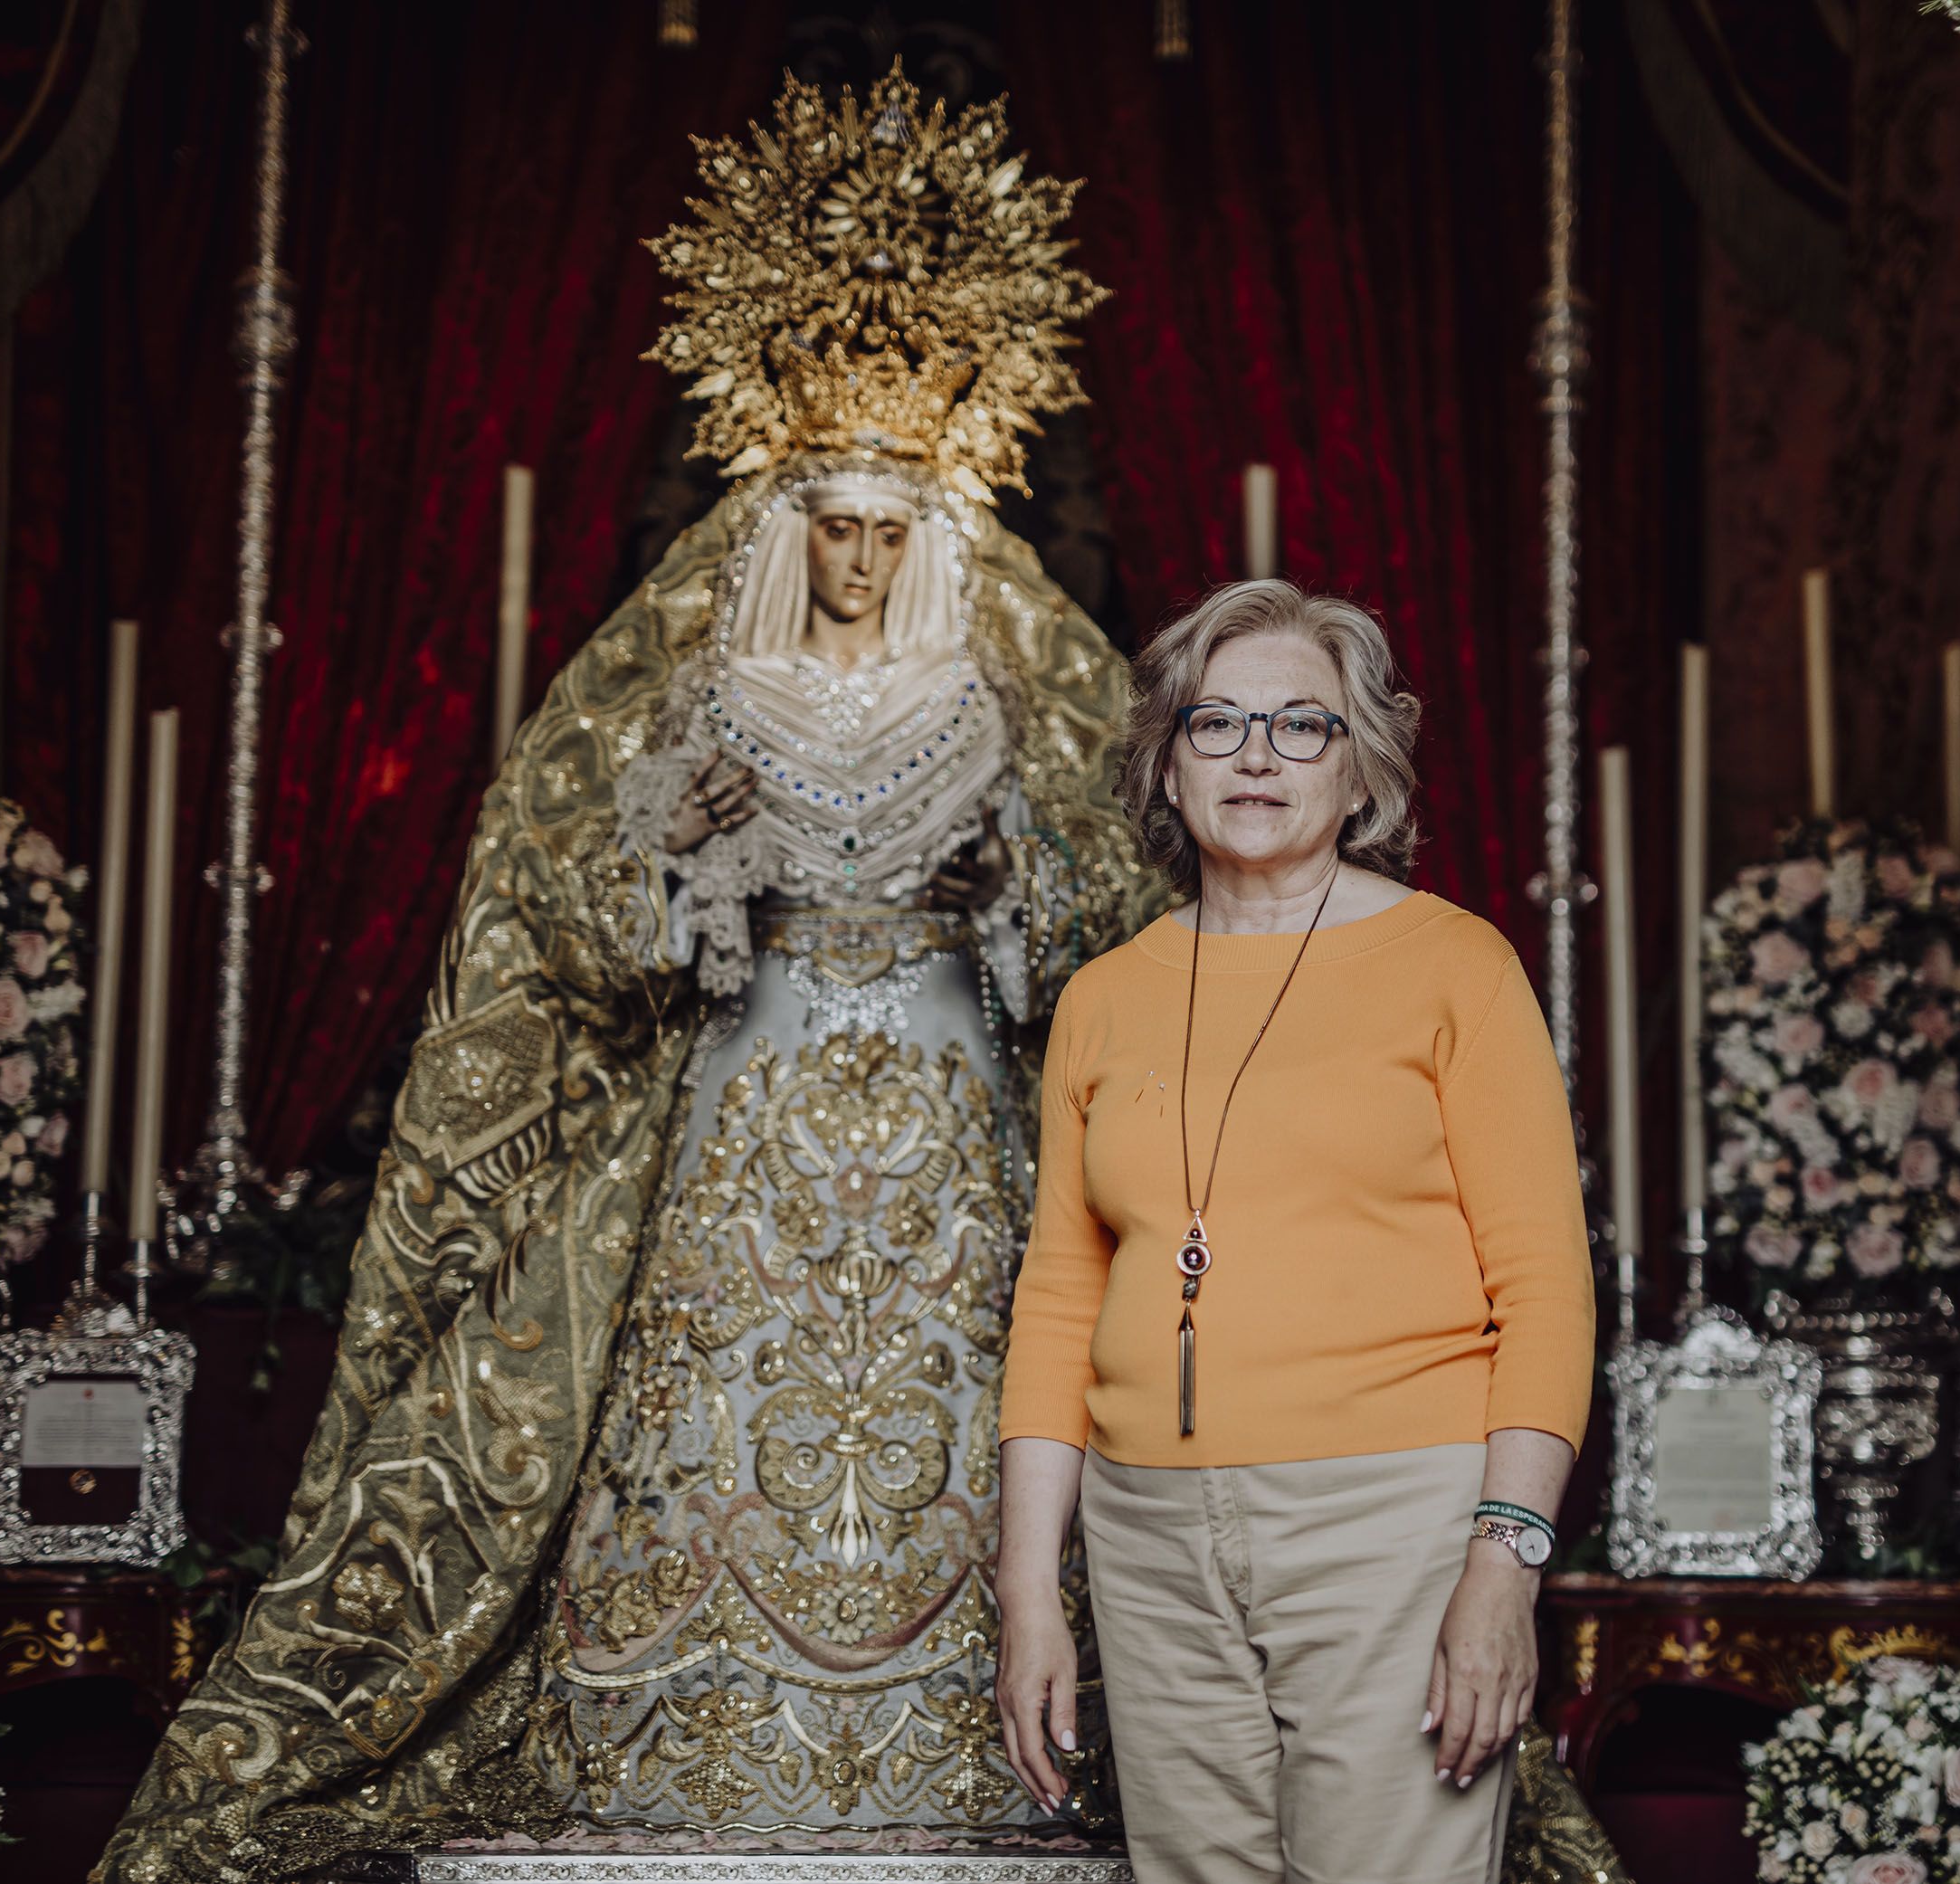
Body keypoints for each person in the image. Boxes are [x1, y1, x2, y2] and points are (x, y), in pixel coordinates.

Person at [96, 69, 1157, 1882]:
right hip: (736, 1116)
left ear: (942, 524)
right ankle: (684, 1746)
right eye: (831, 518)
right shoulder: (693, 683)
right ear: (783, 518)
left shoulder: (1016, 687)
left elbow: (1120, 926)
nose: (859, 551)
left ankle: (980, 1753)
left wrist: (1010, 884)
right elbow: (564, 924)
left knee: (964, 1406)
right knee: (717, 1402)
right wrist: (685, 871)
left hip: (948, 1125)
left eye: (894, 524)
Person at [994, 579, 1598, 1884]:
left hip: (1394, 1528)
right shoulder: (1103, 1001)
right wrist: (1031, 1589)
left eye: (1303, 726)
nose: (1258, 754)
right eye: (1218, 722)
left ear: (1363, 767)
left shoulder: (1458, 967)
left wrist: (1506, 1565)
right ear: (1167, 758)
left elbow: (1545, 1287)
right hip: (1150, 1538)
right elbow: (1058, 1293)